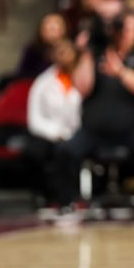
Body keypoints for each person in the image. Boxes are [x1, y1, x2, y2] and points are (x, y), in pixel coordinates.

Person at [58, 8, 134, 212]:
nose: (125, 34)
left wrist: (122, 72)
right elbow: (81, 87)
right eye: (123, 28)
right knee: (66, 151)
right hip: (93, 131)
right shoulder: (96, 55)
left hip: (131, 131)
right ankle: (66, 204)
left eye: (131, 29)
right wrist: (85, 53)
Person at [25, 39, 82, 208]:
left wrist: (71, 134)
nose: (63, 56)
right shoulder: (42, 82)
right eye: (59, 52)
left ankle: (73, 196)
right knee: (33, 152)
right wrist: (55, 133)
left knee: (71, 150)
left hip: (77, 133)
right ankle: (46, 196)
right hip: (49, 134)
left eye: (67, 51)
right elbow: (34, 118)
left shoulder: (84, 79)